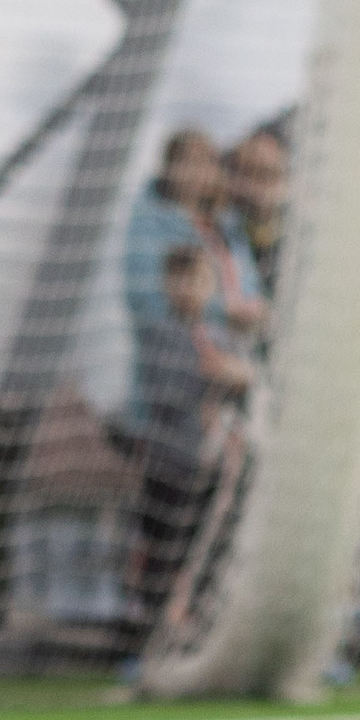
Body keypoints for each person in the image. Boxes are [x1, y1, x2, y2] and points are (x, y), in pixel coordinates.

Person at [121, 245, 252, 647]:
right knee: (164, 548)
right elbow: (164, 394)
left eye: (197, 280)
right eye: (178, 279)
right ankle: (151, 636)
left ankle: (195, 629)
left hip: (210, 462)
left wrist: (239, 379)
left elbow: (244, 392)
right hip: (169, 461)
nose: (188, 289)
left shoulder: (223, 338)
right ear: (165, 285)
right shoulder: (156, 335)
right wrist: (211, 378)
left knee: (208, 547)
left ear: (212, 287)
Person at [122, 128, 264, 425]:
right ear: (168, 168)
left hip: (233, 368)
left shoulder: (227, 225)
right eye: (186, 161)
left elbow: (249, 285)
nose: (196, 172)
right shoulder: (148, 222)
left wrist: (254, 310)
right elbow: (147, 297)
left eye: (205, 162)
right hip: (177, 374)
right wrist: (223, 311)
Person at [224, 123, 288, 293]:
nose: (260, 188)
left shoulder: (299, 229)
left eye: (268, 175)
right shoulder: (224, 234)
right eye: (251, 173)